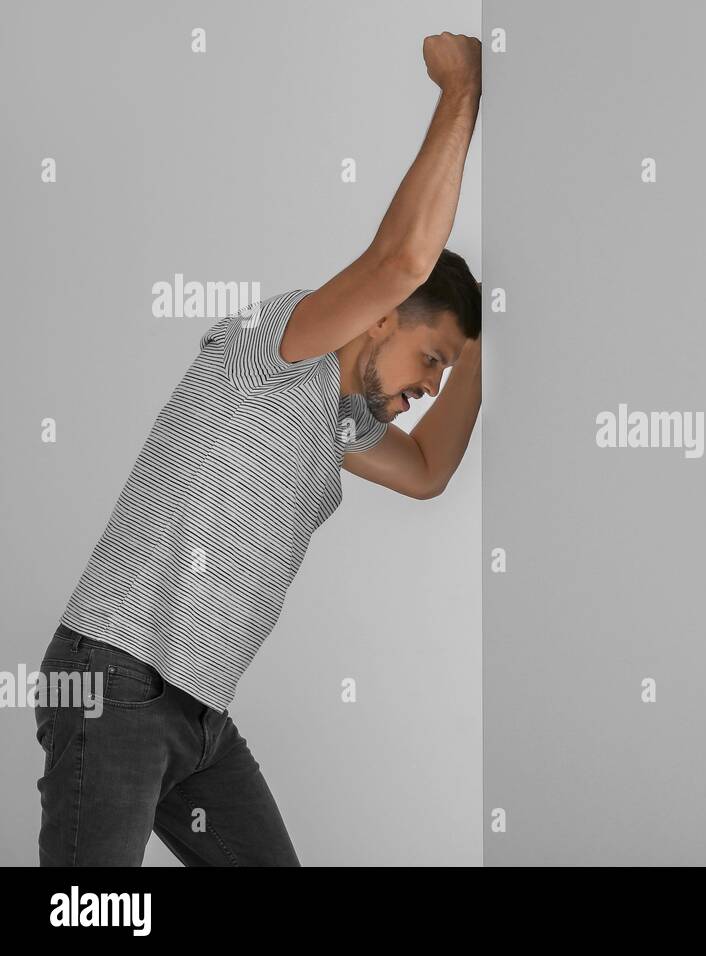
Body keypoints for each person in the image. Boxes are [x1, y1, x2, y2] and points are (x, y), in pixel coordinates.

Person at [32, 32, 483, 866]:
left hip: (198, 714)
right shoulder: (280, 342)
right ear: (380, 318)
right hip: (114, 680)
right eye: (431, 359)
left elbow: (428, 473)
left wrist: (482, 349)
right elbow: (401, 259)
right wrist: (462, 90)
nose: (430, 388)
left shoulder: (339, 420)